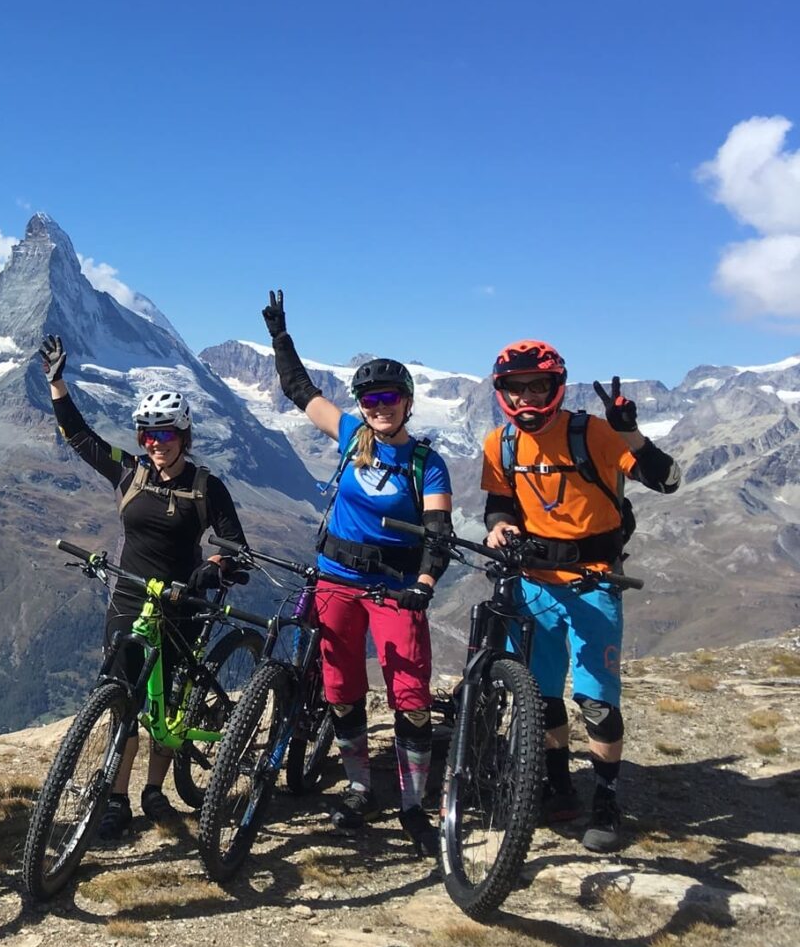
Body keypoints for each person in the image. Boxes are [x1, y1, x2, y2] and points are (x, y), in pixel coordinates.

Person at [262, 291, 452, 858]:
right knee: (341, 689)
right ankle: (360, 786)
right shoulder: (352, 436)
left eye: (389, 397)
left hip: (394, 587)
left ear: (407, 403)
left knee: (410, 697)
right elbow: (300, 391)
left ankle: (413, 804)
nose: (379, 406)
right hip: (334, 579)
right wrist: (280, 338)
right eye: (371, 398)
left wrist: (424, 585)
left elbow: (438, 535)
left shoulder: (426, 464)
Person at [37, 333, 247, 840]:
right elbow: (80, 437)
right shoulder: (129, 471)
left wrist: (214, 566)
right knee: (123, 699)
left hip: (182, 603)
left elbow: (235, 547)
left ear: (184, 435)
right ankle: (116, 798)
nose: (155, 442)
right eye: (147, 433)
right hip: (129, 597)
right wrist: (57, 384)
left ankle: (155, 789)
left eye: (165, 433)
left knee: (168, 705)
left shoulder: (206, 487)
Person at [482, 340, 682, 853]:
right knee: (542, 695)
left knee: (596, 702)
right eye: (516, 387)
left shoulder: (593, 433)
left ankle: (607, 800)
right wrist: (499, 527)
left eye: (538, 385)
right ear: (502, 391)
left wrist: (629, 433)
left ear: (556, 386)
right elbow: (499, 503)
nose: (527, 397)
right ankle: (559, 787)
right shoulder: (501, 444)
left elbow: (668, 481)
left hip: (595, 584)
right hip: (533, 584)